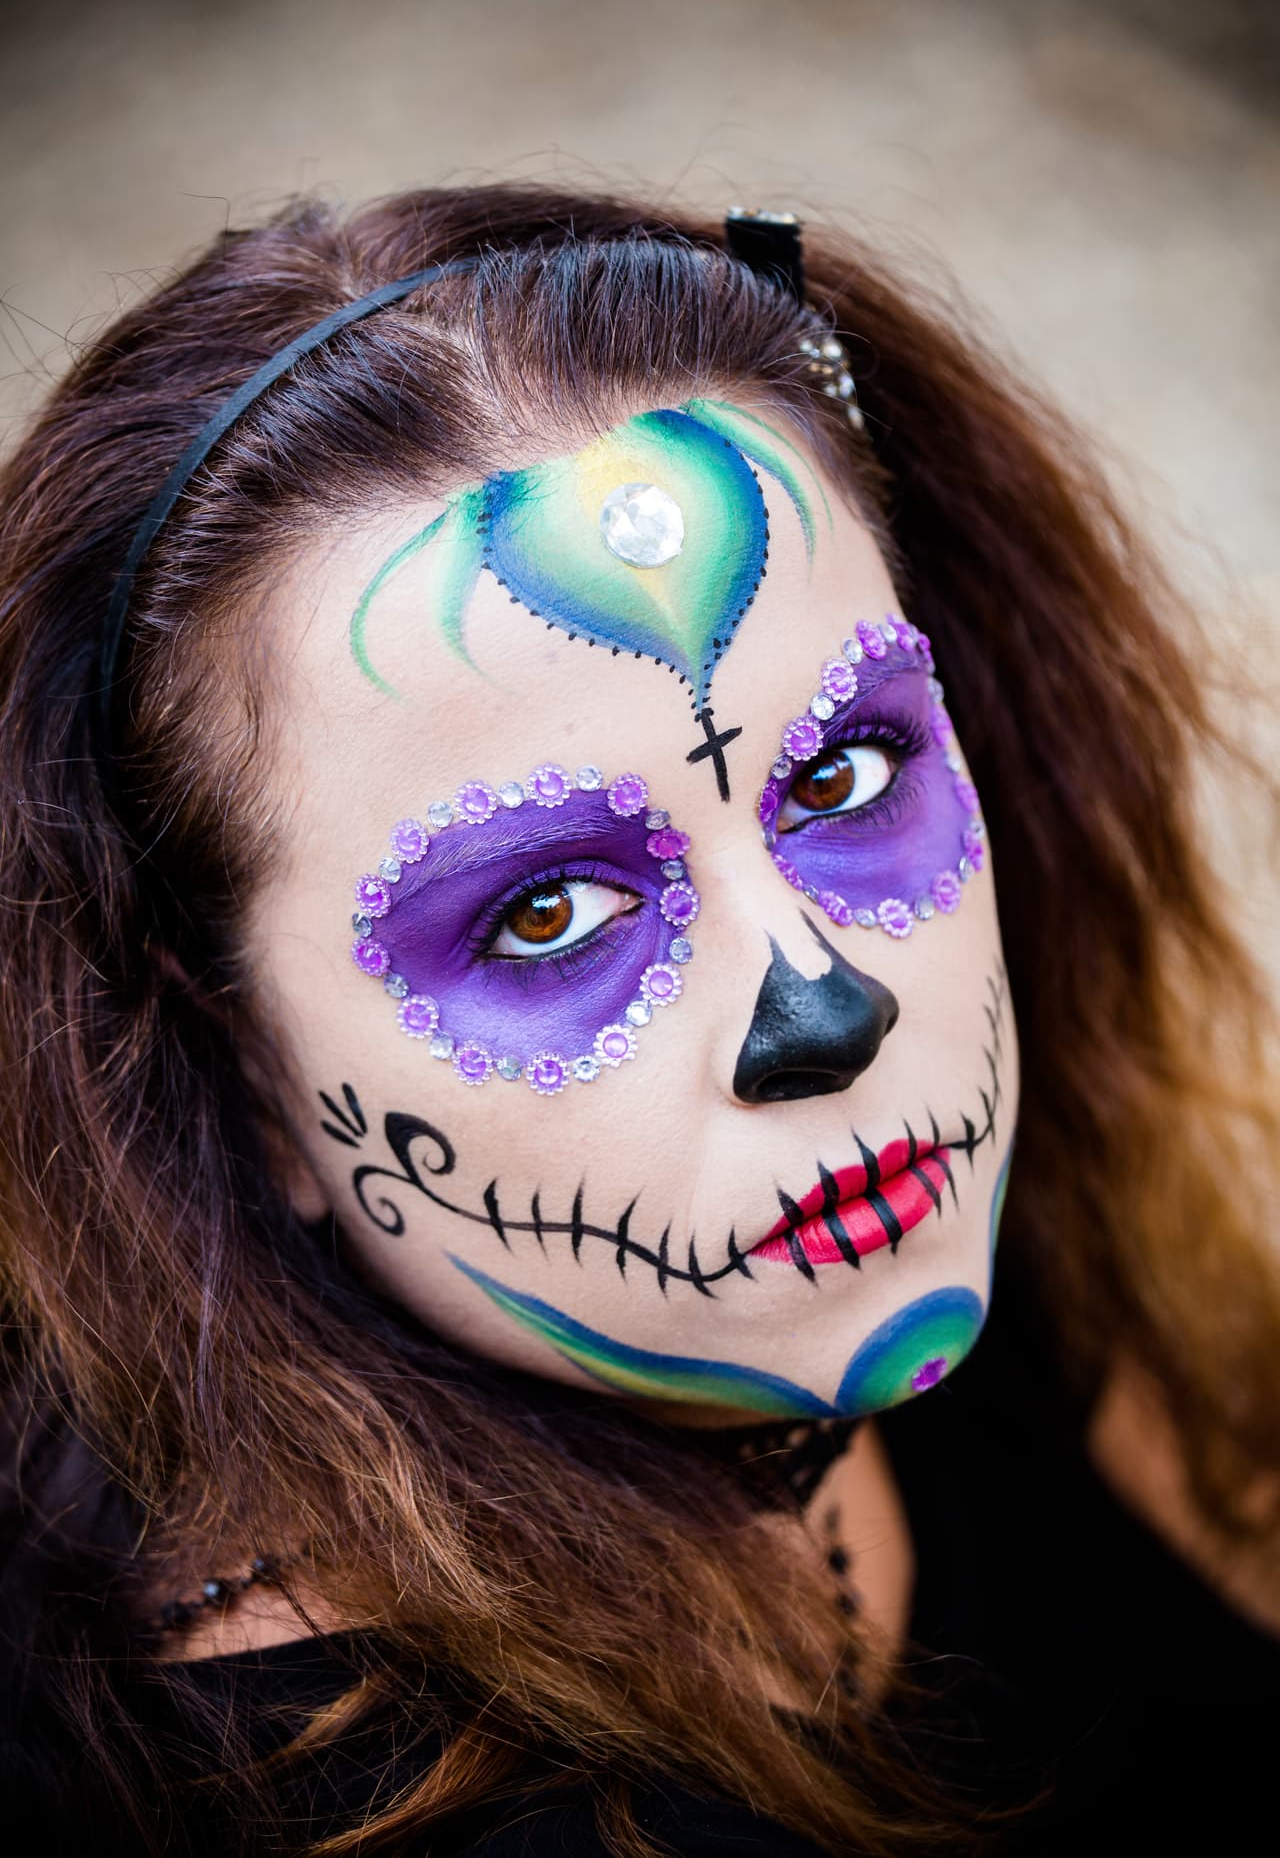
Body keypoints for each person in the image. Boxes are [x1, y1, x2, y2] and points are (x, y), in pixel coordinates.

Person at [0, 185, 1275, 1857]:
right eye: (546, 911)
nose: (828, 1003)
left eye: (843, 772)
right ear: (238, 1075)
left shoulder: (999, 1257)